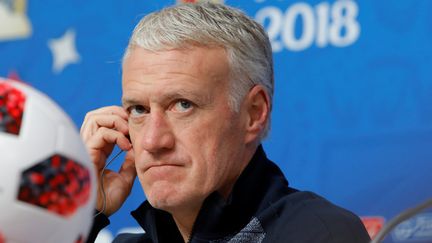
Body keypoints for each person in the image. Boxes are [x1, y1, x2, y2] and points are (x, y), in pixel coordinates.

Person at [81, 2, 371, 243]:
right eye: (139, 109)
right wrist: (81, 209)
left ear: (254, 113)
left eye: (183, 105)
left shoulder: (319, 234)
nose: (153, 141)